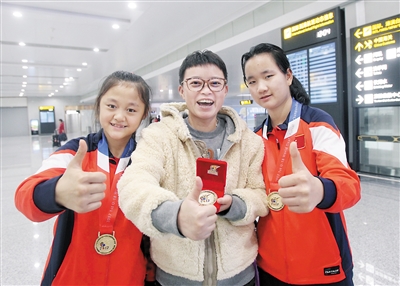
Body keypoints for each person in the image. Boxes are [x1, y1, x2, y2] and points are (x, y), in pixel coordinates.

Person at [118, 50, 268, 286]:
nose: (206, 91)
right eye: (196, 83)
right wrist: (176, 217)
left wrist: (235, 204)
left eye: (215, 83)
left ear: (225, 89)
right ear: (182, 90)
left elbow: (260, 193)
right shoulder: (159, 137)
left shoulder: (249, 142)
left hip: (240, 276)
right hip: (176, 277)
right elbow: (133, 185)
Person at [15, 71, 153, 285]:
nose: (119, 116)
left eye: (131, 109)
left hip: (129, 277)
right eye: (112, 106)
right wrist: (57, 192)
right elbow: (25, 195)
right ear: (99, 107)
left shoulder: (148, 160)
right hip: (73, 275)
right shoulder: (76, 152)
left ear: (144, 115)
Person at [240, 43, 361, 285]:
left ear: (287, 75)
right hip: (269, 269)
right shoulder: (255, 139)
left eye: (268, 76)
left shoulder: (317, 124)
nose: (261, 87)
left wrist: (321, 190)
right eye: (252, 81)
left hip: (323, 267)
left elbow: (348, 185)